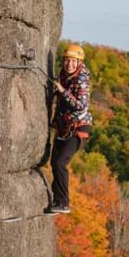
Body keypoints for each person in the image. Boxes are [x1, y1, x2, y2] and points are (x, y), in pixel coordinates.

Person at [48, 44, 93, 214]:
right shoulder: (64, 75)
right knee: (54, 163)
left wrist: (62, 90)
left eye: (73, 61)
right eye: (67, 61)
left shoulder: (81, 79)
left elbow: (80, 105)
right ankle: (56, 200)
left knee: (60, 163)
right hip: (64, 127)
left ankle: (63, 203)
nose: (69, 64)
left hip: (79, 128)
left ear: (79, 62)